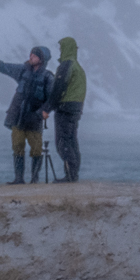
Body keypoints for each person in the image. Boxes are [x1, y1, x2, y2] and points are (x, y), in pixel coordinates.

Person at [0, 45, 55, 184]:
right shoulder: (23, 70)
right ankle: (19, 179)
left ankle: (34, 179)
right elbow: (6, 68)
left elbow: (52, 100)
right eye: (31, 54)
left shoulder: (48, 77)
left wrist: (42, 112)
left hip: (35, 119)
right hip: (18, 117)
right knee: (17, 147)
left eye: (34, 56)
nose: (30, 57)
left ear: (41, 60)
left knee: (36, 150)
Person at [50, 37, 87, 183]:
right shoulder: (78, 67)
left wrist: (48, 107)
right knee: (72, 141)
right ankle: (73, 174)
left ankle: (70, 175)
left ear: (66, 48)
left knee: (63, 142)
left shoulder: (67, 64)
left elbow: (58, 87)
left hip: (65, 107)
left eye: (61, 48)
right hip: (76, 108)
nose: (60, 51)